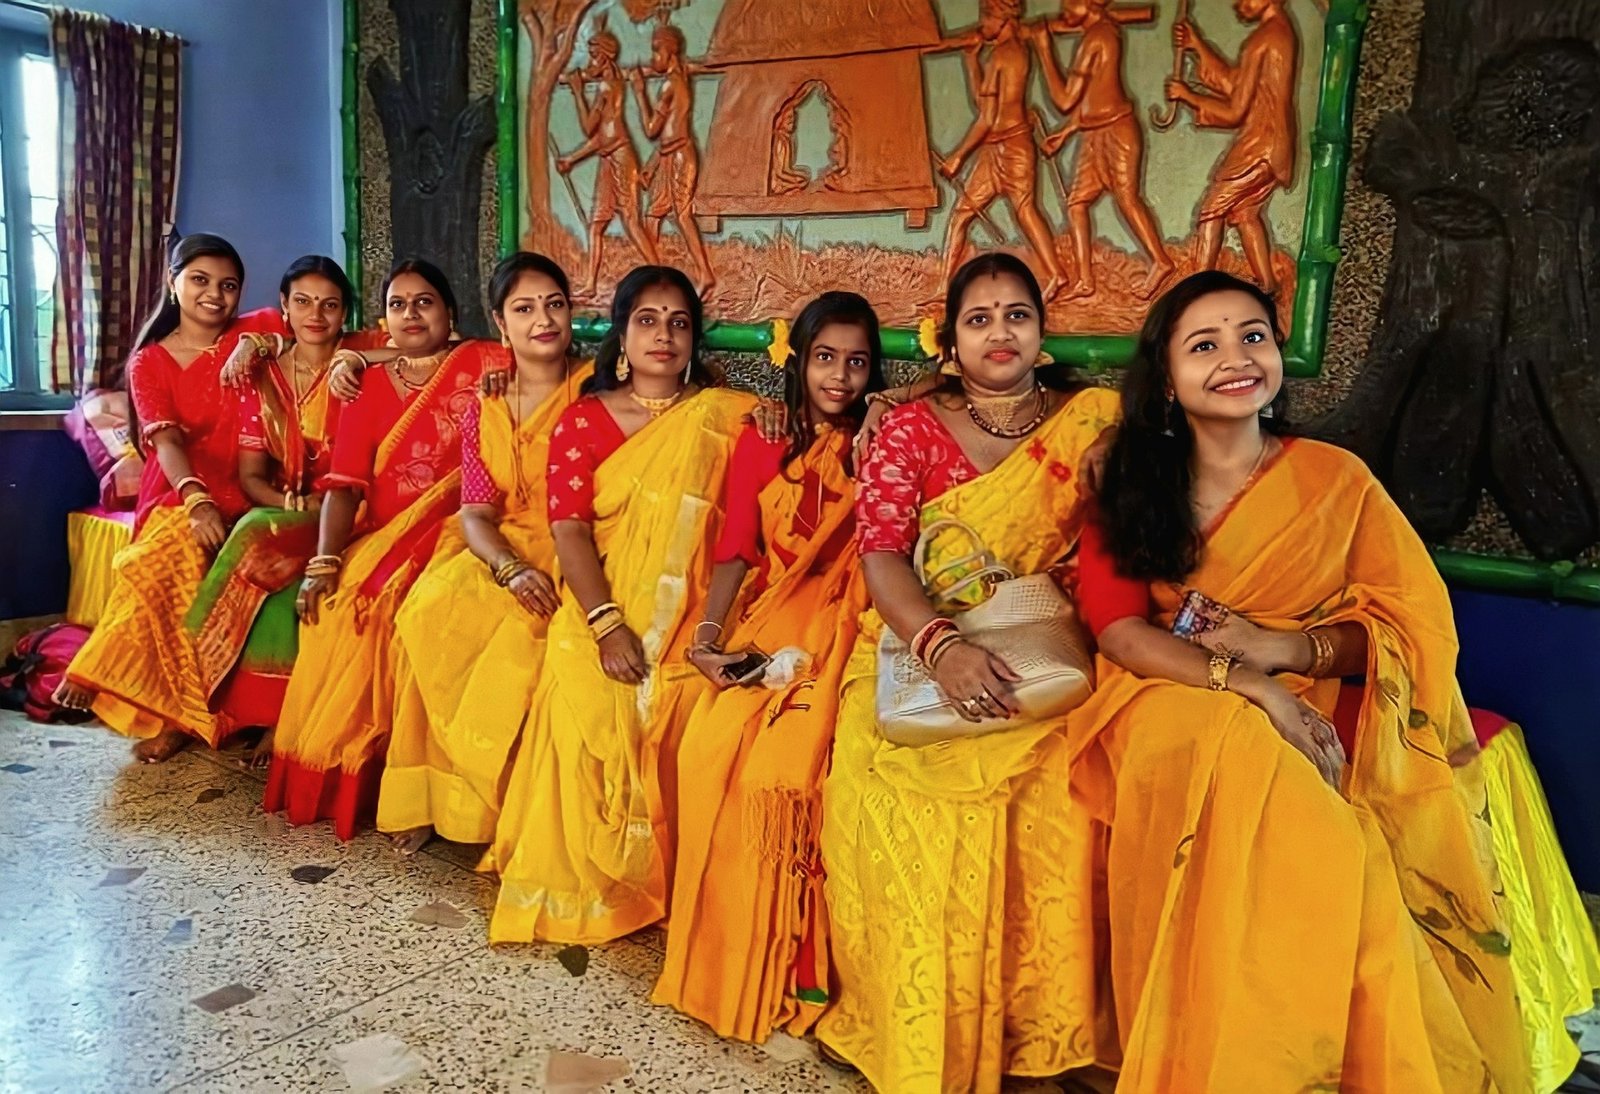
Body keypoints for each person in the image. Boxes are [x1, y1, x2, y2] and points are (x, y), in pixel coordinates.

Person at [1074, 269, 1600, 1092]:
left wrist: (1283, 651)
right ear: (1167, 380)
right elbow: (1119, 632)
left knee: (1305, 801)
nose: (1235, 358)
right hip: (1164, 695)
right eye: (1202, 345)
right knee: (1253, 756)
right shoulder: (1131, 478)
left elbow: (1406, 631)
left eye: (1252, 335)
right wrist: (1251, 683)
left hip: (1291, 689)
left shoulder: (1334, 480)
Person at [815, 253, 1120, 1090]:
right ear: (949, 341)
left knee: (1062, 789)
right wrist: (943, 649)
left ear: (1042, 335)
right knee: (901, 805)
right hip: (920, 654)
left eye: (1015, 315)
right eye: (978, 319)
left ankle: (1042, 1039)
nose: (999, 332)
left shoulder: (1093, 422)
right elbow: (880, 559)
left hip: (1050, 657)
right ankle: (927, 1038)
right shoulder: (907, 430)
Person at [486, 265, 756, 945]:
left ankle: (679, 882)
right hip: (603, 601)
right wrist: (606, 624)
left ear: (694, 337)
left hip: (700, 603)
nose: (663, 335)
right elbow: (570, 528)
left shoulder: (725, 415)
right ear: (622, 335)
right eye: (647, 319)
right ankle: (606, 885)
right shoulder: (585, 419)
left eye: (678, 322)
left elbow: (738, 532)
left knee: (692, 704)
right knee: (587, 690)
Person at [652, 292, 888, 1042]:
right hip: (771, 609)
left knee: (782, 771)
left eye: (857, 362)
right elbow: (737, 550)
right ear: (798, 359)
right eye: (825, 358)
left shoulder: (888, 434)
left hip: (853, 615)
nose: (840, 378)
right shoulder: (764, 437)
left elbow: (952, 390)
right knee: (702, 745)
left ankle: (793, 962)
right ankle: (720, 948)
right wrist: (708, 635)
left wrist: (900, 398)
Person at [263, 258, 498, 840]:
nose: (411, 314)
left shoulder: (486, 364)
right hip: (389, 535)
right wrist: (325, 561)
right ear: (383, 318)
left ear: (452, 314)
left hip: (467, 527)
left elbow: (556, 368)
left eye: (425, 302)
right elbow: (344, 487)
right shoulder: (361, 387)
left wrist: (364, 352)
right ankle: (376, 784)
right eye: (398, 304)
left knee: (415, 614)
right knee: (342, 608)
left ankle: (423, 796)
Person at [376, 253, 592, 855]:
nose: (542, 320)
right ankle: (428, 798)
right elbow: (476, 511)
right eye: (524, 308)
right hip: (507, 546)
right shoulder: (486, 403)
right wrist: (509, 566)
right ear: (501, 326)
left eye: (554, 304)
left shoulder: (600, 386)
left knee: (518, 637)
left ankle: (499, 807)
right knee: (428, 613)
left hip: (582, 542)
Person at [54, 233, 283, 762]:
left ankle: (102, 666)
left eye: (228, 285)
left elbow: (323, 331)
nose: (215, 295)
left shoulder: (259, 328)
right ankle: (175, 714)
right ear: (173, 283)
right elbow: (167, 440)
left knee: (175, 554)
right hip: (180, 491)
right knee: (167, 552)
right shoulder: (149, 362)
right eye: (200, 280)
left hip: (248, 486)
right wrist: (197, 498)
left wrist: (259, 345)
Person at [183, 256, 377, 767]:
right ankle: (263, 715)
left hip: (356, 510)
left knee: (251, 534)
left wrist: (356, 358)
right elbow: (251, 478)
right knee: (269, 560)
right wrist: (296, 504)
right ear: (283, 310)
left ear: (345, 315)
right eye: (304, 302)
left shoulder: (360, 362)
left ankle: (193, 681)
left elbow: (424, 346)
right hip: (294, 509)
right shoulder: (264, 374)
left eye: (330, 305)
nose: (317, 314)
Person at [1164, 0, 1298, 293]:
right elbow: (1239, 86)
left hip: (1259, 146)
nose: (1239, 4)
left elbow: (1235, 111)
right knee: (1246, 213)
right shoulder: (1280, 32)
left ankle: (1194, 289)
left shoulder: (1263, 40)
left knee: (1211, 211)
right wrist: (1197, 45)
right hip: (1274, 146)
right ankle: (1267, 284)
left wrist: (1189, 96)